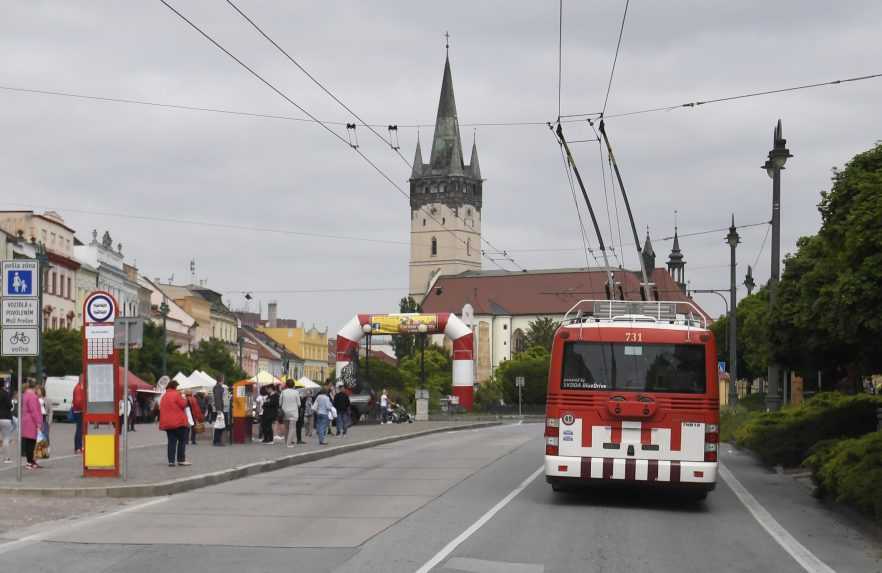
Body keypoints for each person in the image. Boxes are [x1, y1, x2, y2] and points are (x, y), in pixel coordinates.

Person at [158, 380, 190, 467]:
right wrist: (184, 398)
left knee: (171, 442)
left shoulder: (164, 396)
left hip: (168, 423)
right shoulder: (177, 394)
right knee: (182, 441)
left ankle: (171, 461)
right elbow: (183, 404)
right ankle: (181, 460)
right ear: (175, 387)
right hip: (179, 422)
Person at [20, 382, 42, 469]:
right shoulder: (32, 396)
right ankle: (30, 462)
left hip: (25, 420)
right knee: (31, 443)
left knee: (28, 442)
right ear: (35, 388)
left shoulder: (25, 395)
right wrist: (38, 422)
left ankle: (31, 462)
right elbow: (34, 411)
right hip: (31, 422)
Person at [279, 380, 301, 447]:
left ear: (286, 385)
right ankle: (289, 443)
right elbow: (299, 404)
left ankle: (286, 442)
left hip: (285, 412)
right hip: (294, 412)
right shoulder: (296, 392)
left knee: (286, 428)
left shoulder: (283, 392)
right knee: (292, 428)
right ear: (293, 385)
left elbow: (280, 403)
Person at [35, 386, 51, 459]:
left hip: (45, 419)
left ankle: (47, 451)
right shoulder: (35, 399)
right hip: (38, 420)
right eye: (37, 390)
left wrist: (49, 421)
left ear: (42, 391)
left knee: (46, 436)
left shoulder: (47, 400)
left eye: (39, 391)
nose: (38, 392)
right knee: (39, 437)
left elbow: (50, 411)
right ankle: (39, 452)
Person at [0, 384, 13, 464]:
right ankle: (6, 458)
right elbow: (10, 405)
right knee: (6, 438)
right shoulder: (6, 393)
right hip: (6, 418)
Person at [72, 376, 84, 453]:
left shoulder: (78, 387)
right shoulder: (79, 388)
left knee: (79, 429)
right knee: (80, 429)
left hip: (78, 410)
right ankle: (78, 447)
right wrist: (83, 408)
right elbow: (78, 401)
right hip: (79, 411)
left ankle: (78, 446)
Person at [212, 377, 226, 446]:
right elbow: (218, 399)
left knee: (220, 425)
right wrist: (219, 409)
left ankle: (218, 440)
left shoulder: (219, 387)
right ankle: (217, 441)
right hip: (219, 409)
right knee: (219, 425)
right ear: (221, 380)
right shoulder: (218, 387)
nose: (224, 380)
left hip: (219, 409)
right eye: (223, 379)